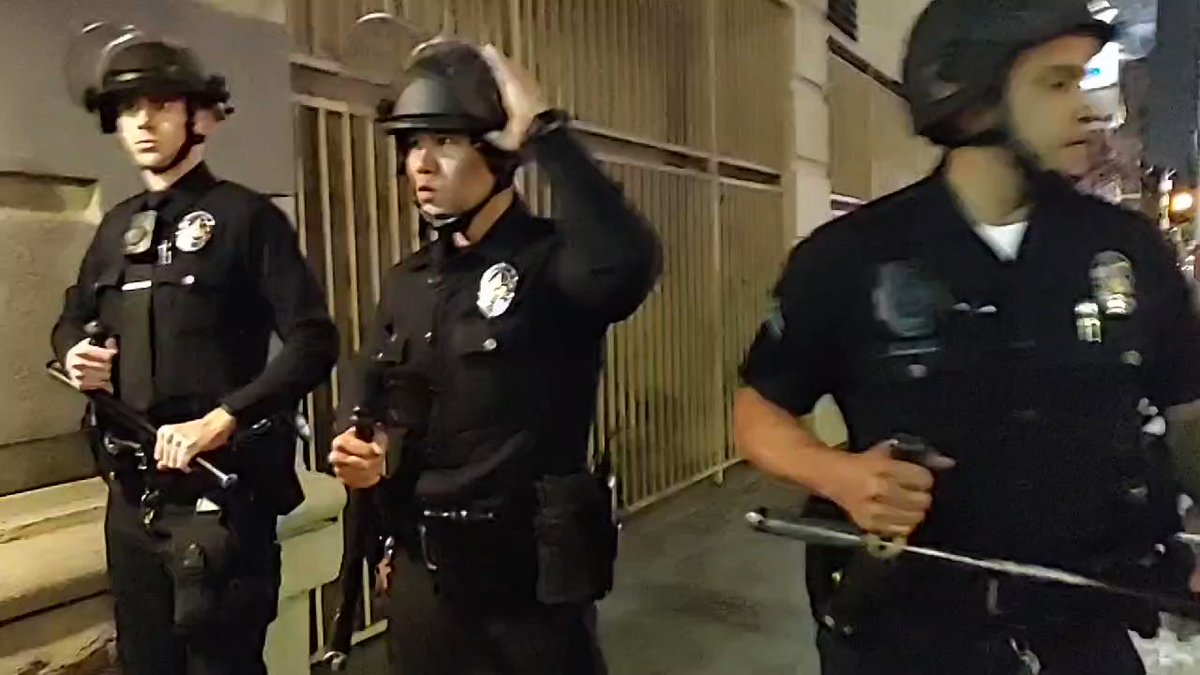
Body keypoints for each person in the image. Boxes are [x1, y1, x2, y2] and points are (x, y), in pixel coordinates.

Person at [733, 1, 1200, 673]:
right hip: (905, 635)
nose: (1092, 108)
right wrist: (839, 475)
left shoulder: (1127, 250)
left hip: (1083, 632)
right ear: (974, 98)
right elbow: (759, 409)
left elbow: (1188, 411)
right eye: (1057, 83)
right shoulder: (851, 258)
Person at [328, 39, 661, 675]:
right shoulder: (408, 280)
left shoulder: (553, 264)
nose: (419, 165)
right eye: (410, 145)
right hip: (425, 577)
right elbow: (372, 390)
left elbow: (627, 262)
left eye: (445, 143)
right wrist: (361, 449)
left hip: (527, 591)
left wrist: (546, 132)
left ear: (498, 154)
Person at [51, 33, 338, 675]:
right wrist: (77, 355)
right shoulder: (116, 228)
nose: (144, 122)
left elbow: (314, 340)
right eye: (129, 110)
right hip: (131, 495)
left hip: (219, 499)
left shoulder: (246, 219)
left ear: (199, 116)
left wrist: (226, 418)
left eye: (160, 104)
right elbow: (72, 318)